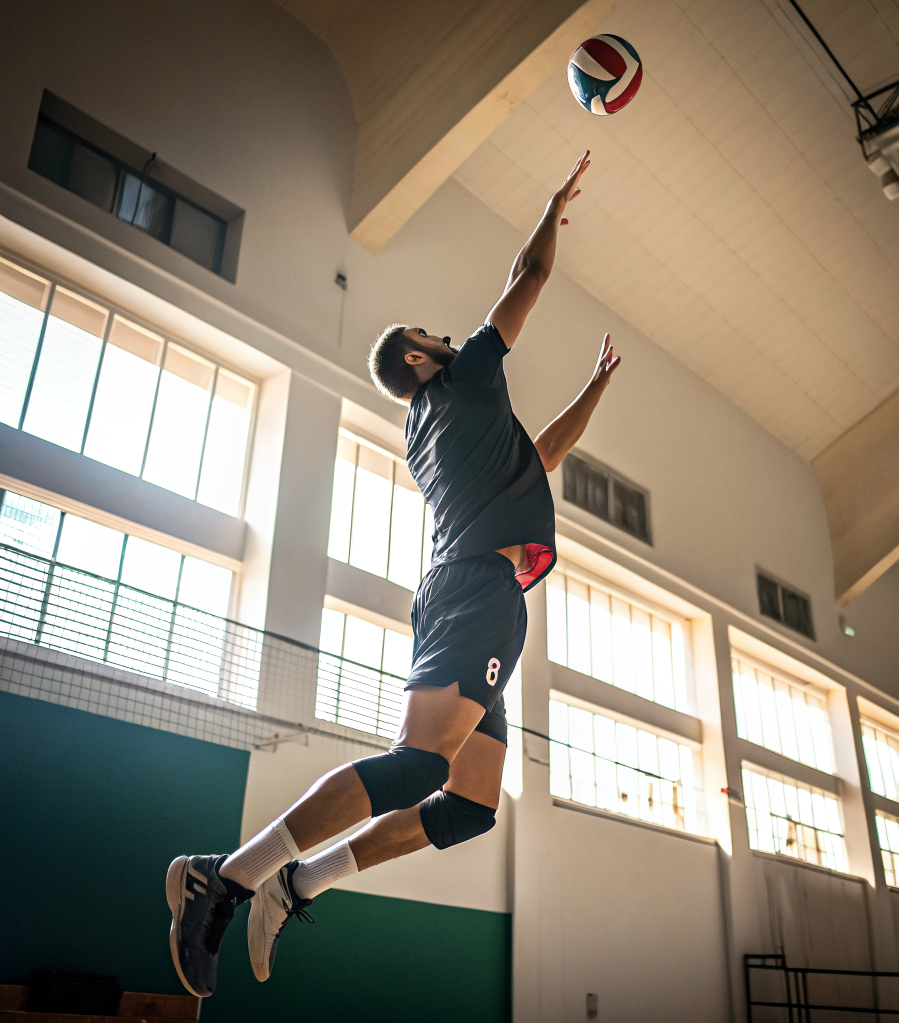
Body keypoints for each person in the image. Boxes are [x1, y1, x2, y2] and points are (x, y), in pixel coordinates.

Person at [165, 150, 621, 997]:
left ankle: (298, 883)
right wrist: (551, 209)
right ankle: (223, 877)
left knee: (467, 807)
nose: (448, 336)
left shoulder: (443, 428)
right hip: (475, 592)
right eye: (431, 336)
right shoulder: (463, 382)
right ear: (417, 359)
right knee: (417, 766)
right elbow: (525, 275)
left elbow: (542, 454)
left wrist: (593, 388)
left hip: (483, 597)